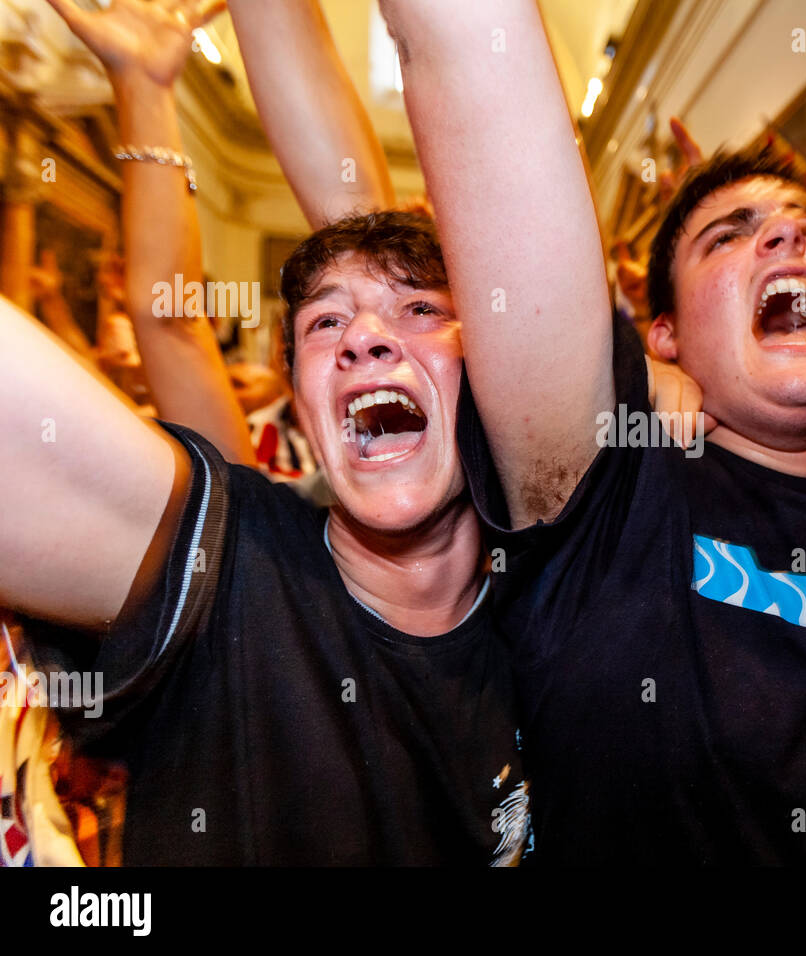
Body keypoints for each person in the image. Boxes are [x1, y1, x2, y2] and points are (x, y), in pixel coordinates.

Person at [381, 0, 806, 865]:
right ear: (665, 335)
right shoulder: (615, 495)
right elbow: (469, 49)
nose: (788, 234)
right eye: (731, 236)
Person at [12, 0, 531, 866]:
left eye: (420, 309)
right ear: (297, 403)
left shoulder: (564, 601)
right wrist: (145, 91)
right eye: (324, 326)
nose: (365, 335)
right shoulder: (228, 564)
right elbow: (165, 329)